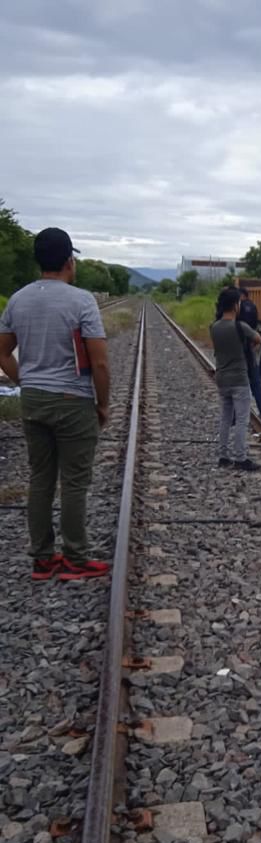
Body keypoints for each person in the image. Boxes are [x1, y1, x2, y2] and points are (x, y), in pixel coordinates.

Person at [0, 227, 110, 580]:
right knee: (75, 482)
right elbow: (100, 361)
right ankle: (75, 559)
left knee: (40, 479)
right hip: (71, 401)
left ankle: (42, 559)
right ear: (68, 261)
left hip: (33, 401)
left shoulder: (18, 299)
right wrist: (103, 404)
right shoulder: (81, 301)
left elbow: (2, 351)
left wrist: (24, 381)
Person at [211, 287, 261, 471]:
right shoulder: (241, 327)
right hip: (239, 378)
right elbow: (259, 338)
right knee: (241, 419)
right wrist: (249, 350)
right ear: (235, 305)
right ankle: (240, 457)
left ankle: (223, 456)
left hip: (222, 378)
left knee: (225, 418)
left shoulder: (214, 327)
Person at [236, 289, 261, 421]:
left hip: (239, 349)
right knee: (256, 383)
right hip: (250, 344)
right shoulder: (253, 306)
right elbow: (255, 328)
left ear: (241, 296)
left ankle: (237, 415)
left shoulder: (239, 308)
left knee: (238, 384)